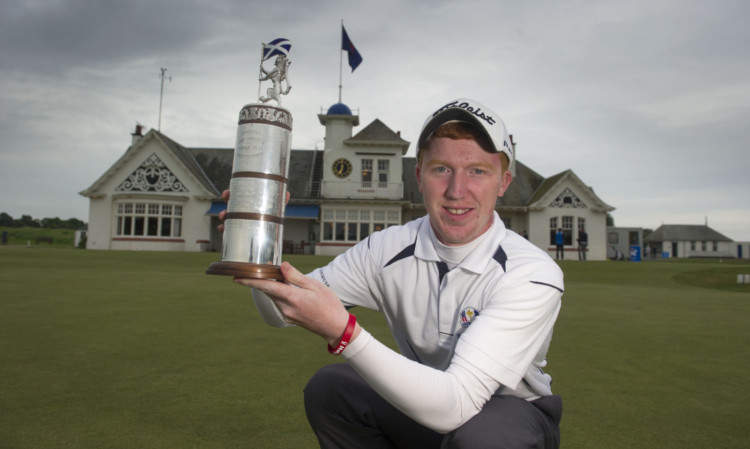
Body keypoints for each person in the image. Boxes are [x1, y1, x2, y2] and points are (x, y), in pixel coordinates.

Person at [230, 98, 564, 449]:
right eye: (441, 169)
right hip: (427, 402)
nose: (456, 191)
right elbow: (280, 312)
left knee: (482, 436)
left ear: (503, 181)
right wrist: (258, 231)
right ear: (419, 176)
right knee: (331, 389)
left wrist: (345, 334)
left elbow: (457, 405)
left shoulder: (532, 273)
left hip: (511, 414)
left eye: (477, 171)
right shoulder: (386, 249)